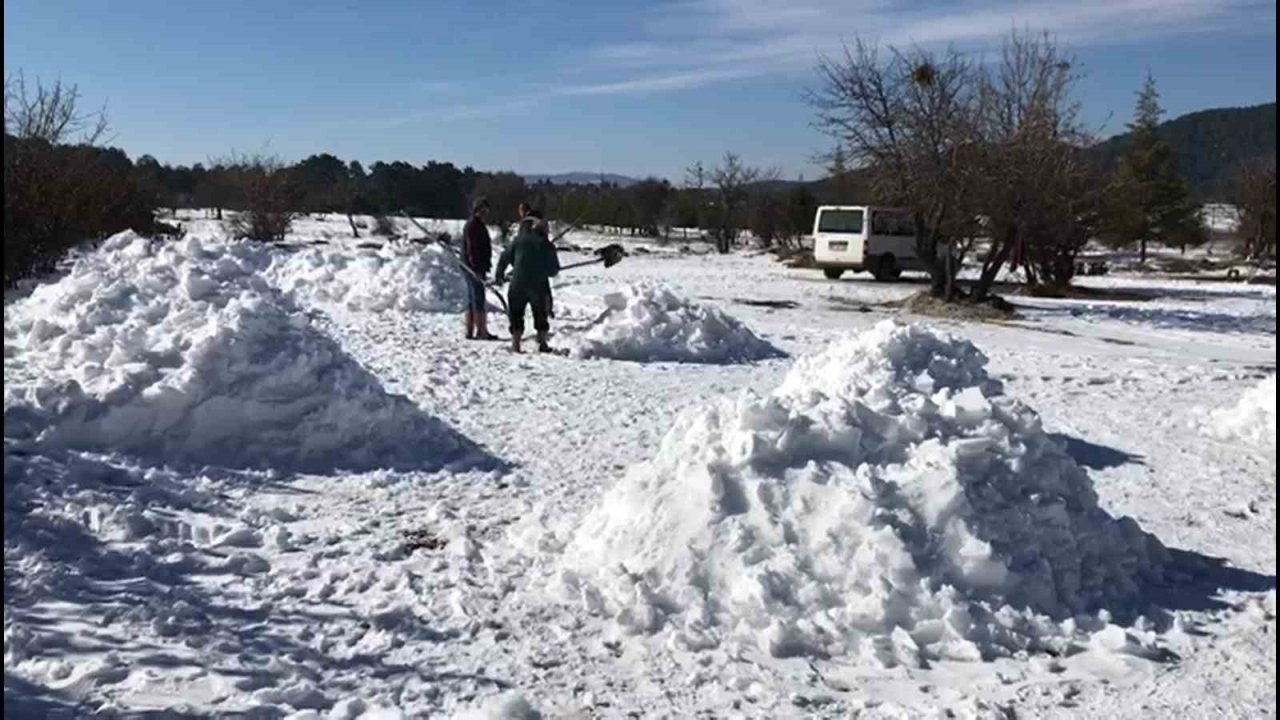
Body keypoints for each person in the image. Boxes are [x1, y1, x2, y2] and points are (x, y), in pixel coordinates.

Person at [495, 210, 560, 353]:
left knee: (516, 314)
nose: (548, 228)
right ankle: (542, 343)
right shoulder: (546, 244)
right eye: (546, 225)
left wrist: (500, 275)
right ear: (541, 226)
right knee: (540, 314)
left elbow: (505, 257)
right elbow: (553, 270)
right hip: (538, 286)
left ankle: (516, 345)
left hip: (517, 284)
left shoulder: (518, 240)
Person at [462, 197, 498, 340]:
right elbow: (472, 249)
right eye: (483, 211)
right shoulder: (473, 226)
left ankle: (470, 330)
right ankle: (481, 330)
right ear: (477, 210)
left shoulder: (477, 225)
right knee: (478, 298)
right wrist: (476, 268)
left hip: (474, 266)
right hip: (472, 267)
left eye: (486, 211)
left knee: (473, 298)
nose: (485, 214)